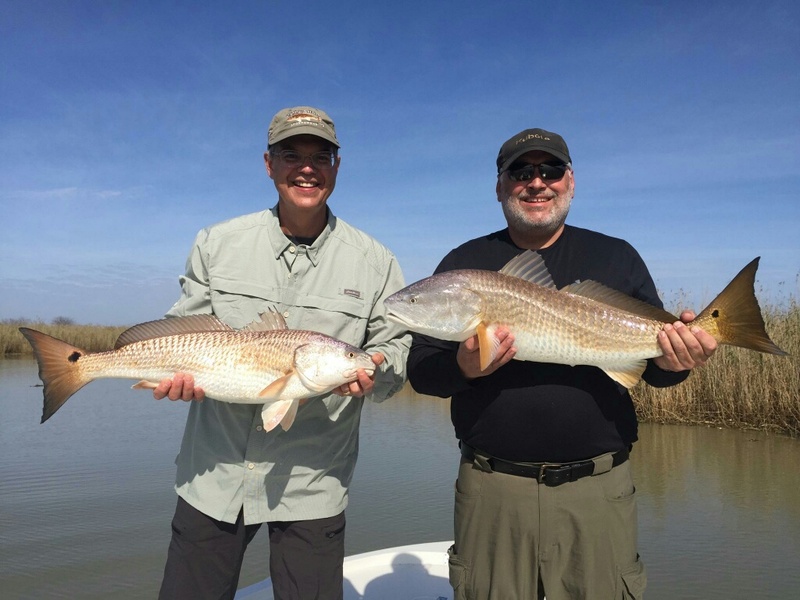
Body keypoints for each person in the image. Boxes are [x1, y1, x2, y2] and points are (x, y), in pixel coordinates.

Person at [406, 128, 718, 600]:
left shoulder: (617, 256)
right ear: (499, 186)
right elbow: (422, 371)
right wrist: (465, 367)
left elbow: (653, 371)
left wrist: (681, 358)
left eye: (550, 170)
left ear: (570, 181)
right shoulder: (464, 263)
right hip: (493, 490)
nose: (537, 182)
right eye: (521, 171)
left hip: (598, 490)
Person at [154, 106, 411, 600]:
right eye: (291, 153)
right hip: (214, 476)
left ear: (338, 166)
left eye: (322, 155)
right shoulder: (217, 243)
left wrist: (376, 368)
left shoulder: (376, 262)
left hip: (313, 483)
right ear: (268, 164)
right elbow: (181, 328)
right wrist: (174, 375)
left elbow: (395, 345)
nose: (307, 166)